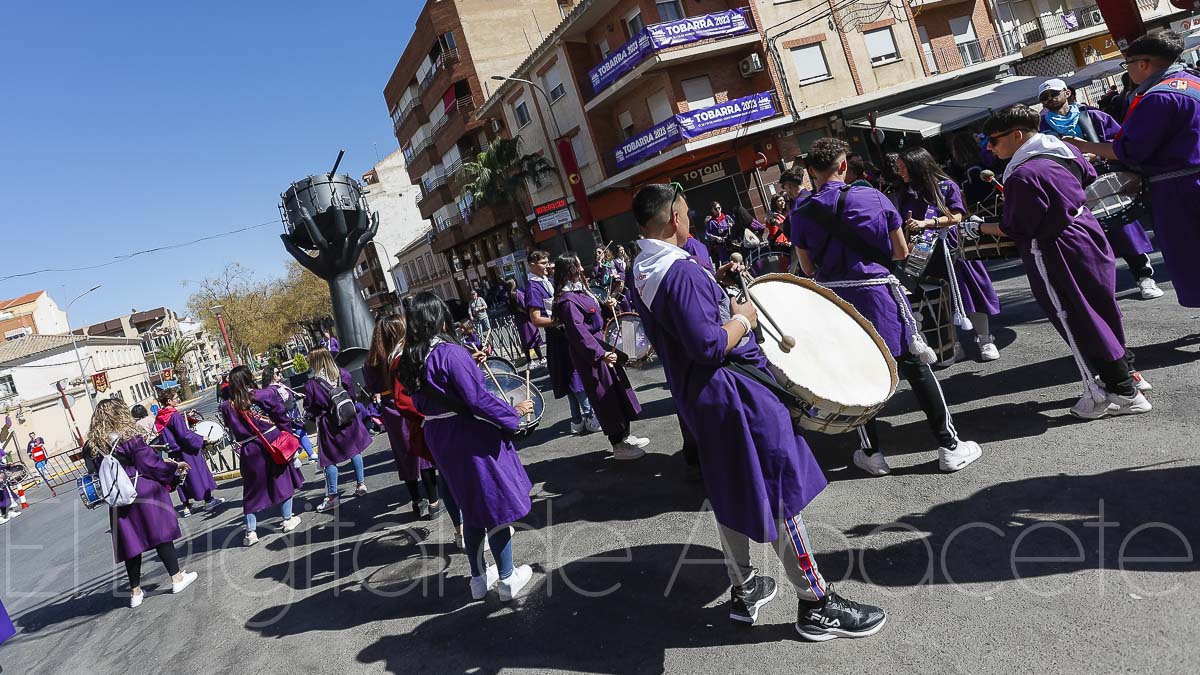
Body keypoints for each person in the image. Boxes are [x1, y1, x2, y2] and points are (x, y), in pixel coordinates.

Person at [628, 183, 887, 640]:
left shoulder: (643, 267)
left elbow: (691, 322)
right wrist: (744, 317)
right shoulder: (680, 274)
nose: (690, 220)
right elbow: (708, 344)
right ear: (672, 219)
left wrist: (720, 301)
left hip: (700, 400)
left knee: (728, 488)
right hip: (733, 397)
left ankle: (745, 584)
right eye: (686, 212)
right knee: (779, 488)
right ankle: (817, 603)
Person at [792, 137, 984, 476]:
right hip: (878, 294)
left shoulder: (802, 211)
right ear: (844, 166)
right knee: (914, 366)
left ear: (811, 171)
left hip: (836, 302)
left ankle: (872, 454)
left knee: (857, 377)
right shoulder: (872, 196)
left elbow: (807, 269)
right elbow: (900, 253)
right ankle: (949, 446)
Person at [973, 105, 1153, 418]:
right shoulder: (1064, 148)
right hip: (1086, 233)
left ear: (1017, 135)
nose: (989, 147)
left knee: (1077, 317)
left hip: (1056, 247)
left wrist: (976, 227)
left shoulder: (1024, 174)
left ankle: (1122, 391)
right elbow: (1089, 175)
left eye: (994, 140)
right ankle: (1127, 373)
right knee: (1101, 308)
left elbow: (1015, 227)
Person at [397, 292, 537, 602]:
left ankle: (478, 578)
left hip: (439, 435)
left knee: (470, 508)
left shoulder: (412, 358)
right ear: (439, 317)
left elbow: (438, 389)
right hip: (469, 434)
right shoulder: (449, 352)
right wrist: (515, 412)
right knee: (494, 503)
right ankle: (506, 578)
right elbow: (477, 400)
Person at [1067, 30, 1200, 308]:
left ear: (1143, 63)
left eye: (1126, 64)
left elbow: (1128, 150)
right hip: (1186, 180)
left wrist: (1083, 145)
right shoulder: (1194, 82)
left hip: (1181, 192)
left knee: (1191, 257)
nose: (1126, 71)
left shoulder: (1158, 98)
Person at [1038, 78, 1164, 300]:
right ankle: (1101, 290)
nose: (1050, 100)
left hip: (1107, 180)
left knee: (1124, 229)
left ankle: (1144, 277)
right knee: (1087, 239)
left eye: (1054, 94)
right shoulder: (1041, 129)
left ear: (1067, 92)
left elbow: (1120, 141)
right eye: (1044, 98)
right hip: (1071, 188)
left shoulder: (1093, 116)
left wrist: (1097, 153)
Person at [86, 398, 198, 607]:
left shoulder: (95, 446)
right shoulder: (130, 438)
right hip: (143, 491)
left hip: (118, 497)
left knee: (131, 544)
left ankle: (135, 593)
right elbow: (150, 464)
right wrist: (173, 469)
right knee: (161, 536)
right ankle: (176, 579)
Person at [895, 146, 1003, 362]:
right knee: (940, 298)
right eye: (898, 168)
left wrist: (928, 223)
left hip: (952, 247)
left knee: (970, 292)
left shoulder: (945, 186)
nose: (900, 172)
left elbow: (957, 216)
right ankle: (953, 344)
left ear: (917, 165)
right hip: (925, 252)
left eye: (903, 167)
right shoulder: (906, 193)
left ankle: (985, 339)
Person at [552, 253, 649, 460]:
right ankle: (618, 445)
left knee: (618, 390)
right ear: (569, 269)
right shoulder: (568, 300)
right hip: (593, 353)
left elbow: (596, 315)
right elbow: (578, 333)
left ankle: (626, 437)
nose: (582, 267)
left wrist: (608, 305)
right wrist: (601, 354)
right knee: (604, 395)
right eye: (578, 264)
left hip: (603, 345)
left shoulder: (581, 291)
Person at [365, 314, 450, 522]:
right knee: (422, 450)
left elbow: (372, 386)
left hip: (390, 408)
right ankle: (433, 500)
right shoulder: (406, 354)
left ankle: (416, 500)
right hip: (411, 402)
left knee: (404, 454)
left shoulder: (372, 360)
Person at [221, 366, 305, 546]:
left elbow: (231, 427)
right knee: (282, 479)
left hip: (249, 449)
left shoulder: (228, 406)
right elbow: (281, 415)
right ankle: (287, 519)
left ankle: (250, 532)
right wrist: (287, 434)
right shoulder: (262, 395)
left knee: (251, 490)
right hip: (272, 442)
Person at [526, 250, 601, 435]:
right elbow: (536, 319)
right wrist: (563, 319)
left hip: (564, 335)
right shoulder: (532, 287)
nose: (547, 266)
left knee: (571, 378)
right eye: (543, 263)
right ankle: (589, 416)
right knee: (574, 377)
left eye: (548, 261)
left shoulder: (549, 281)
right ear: (532, 265)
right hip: (558, 338)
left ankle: (576, 420)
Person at [303, 348, 371, 512]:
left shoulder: (312, 385)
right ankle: (361, 484)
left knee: (329, 460)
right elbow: (352, 395)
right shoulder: (342, 374)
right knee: (354, 450)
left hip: (328, 424)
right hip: (348, 418)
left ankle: (332, 496)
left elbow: (310, 408)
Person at [155, 389, 224, 517]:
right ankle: (208, 500)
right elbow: (184, 435)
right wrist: (201, 438)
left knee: (182, 478)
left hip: (174, 452)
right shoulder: (174, 415)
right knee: (198, 474)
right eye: (175, 398)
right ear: (169, 401)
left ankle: (186, 507)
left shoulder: (161, 416)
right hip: (186, 450)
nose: (178, 400)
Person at [261, 367, 318, 463]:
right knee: (293, 434)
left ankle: (308, 454)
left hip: (292, 413)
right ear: (271, 376)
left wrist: (296, 395)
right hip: (285, 416)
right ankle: (300, 456)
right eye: (277, 373)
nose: (280, 374)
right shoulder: (271, 390)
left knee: (299, 432)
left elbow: (287, 396)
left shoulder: (279, 385)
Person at [507, 278, 544, 366]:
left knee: (525, 341)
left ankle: (529, 361)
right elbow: (525, 305)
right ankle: (541, 358)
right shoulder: (519, 294)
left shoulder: (508, 296)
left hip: (519, 320)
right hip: (527, 318)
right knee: (533, 339)